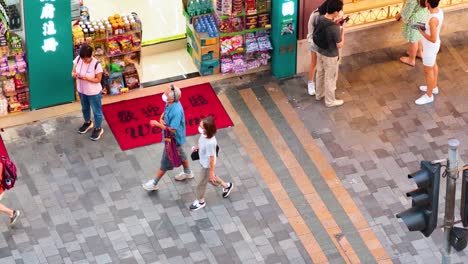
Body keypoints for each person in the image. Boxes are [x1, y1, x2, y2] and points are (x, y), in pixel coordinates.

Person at [142, 85, 193, 191]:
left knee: (166, 161)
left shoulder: (176, 111)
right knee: (181, 153)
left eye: (165, 94)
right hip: (172, 138)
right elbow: (165, 112)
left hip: (173, 139)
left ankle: (154, 183)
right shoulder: (170, 103)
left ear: (172, 98)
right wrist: (161, 118)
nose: (163, 96)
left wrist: (157, 124)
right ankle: (188, 172)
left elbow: (173, 129)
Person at [189, 116, 233, 211]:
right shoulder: (204, 135)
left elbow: (212, 158)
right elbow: (201, 142)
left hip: (207, 165)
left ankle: (200, 201)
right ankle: (226, 186)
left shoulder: (210, 143)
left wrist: (211, 171)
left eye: (201, 126)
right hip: (204, 162)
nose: (199, 127)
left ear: (207, 129)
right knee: (209, 178)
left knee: (200, 183)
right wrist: (197, 147)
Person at [307, 0, 343, 96]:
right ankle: (310, 83)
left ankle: (323, 90)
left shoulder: (330, 14)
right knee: (315, 63)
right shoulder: (315, 16)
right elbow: (310, 34)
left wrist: (337, 22)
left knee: (324, 69)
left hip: (329, 45)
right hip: (316, 43)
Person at [315, 0, 346, 107]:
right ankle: (330, 101)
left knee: (320, 73)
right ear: (336, 12)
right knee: (330, 78)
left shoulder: (320, 18)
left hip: (320, 51)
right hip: (330, 55)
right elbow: (339, 44)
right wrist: (343, 30)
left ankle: (319, 94)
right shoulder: (334, 27)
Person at [72, 44, 105, 141]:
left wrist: (87, 78)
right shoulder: (78, 59)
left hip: (93, 92)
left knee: (96, 111)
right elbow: (73, 71)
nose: (83, 61)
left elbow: (98, 79)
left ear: (91, 56)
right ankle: (88, 122)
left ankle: (98, 128)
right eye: (82, 58)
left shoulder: (96, 64)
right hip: (82, 90)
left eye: (86, 59)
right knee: (85, 108)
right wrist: (74, 75)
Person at [415, 0, 443, 105]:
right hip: (433, 47)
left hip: (430, 48)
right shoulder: (439, 11)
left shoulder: (433, 20)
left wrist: (420, 30)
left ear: (428, 3)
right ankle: (433, 87)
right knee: (433, 65)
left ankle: (429, 95)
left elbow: (433, 38)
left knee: (428, 72)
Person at [396, 0, 429, 67]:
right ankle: (419, 52)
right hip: (423, 16)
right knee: (418, 36)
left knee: (413, 40)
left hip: (414, 19)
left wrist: (399, 16)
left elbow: (406, 13)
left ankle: (411, 60)